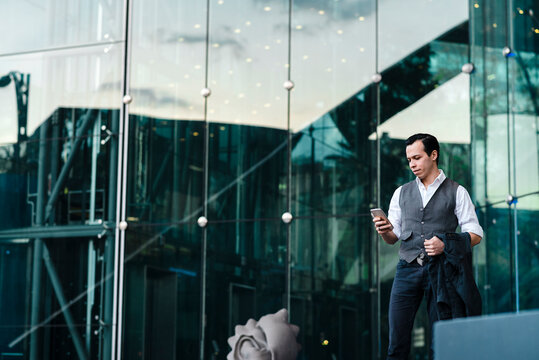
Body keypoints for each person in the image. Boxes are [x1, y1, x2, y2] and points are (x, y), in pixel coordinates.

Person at [372, 133, 483, 360]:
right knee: (396, 343)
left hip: (441, 272)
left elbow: (475, 234)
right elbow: (394, 237)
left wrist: (446, 244)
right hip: (407, 269)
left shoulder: (457, 191)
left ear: (433, 155)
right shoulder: (401, 193)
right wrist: (385, 231)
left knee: (438, 341)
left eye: (417, 157)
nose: (412, 164)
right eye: (409, 159)